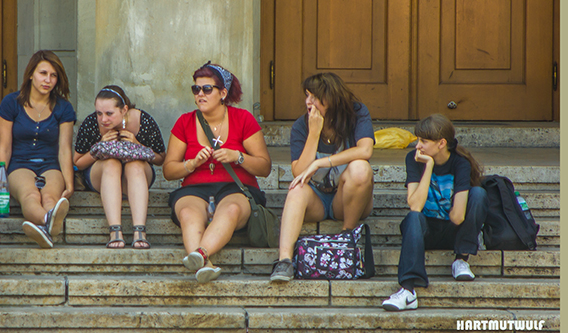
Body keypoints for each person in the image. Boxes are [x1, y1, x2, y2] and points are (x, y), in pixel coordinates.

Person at [162, 62, 272, 283]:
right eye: (196, 89)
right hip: (194, 188)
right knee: (187, 214)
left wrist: (238, 157)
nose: (200, 94)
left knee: (230, 208)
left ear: (223, 93)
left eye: (207, 89)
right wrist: (190, 165)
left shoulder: (243, 119)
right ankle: (206, 264)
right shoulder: (184, 122)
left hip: (235, 187)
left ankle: (200, 255)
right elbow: (168, 170)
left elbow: (264, 167)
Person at [270, 72, 375, 282]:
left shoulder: (356, 113)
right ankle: (284, 261)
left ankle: (346, 238)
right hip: (316, 200)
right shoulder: (302, 125)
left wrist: (321, 162)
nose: (308, 102)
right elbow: (299, 172)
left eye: (315, 96)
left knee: (361, 169)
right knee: (296, 188)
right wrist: (314, 134)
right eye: (307, 95)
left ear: (332, 97)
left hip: (346, 199)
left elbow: (365, 151)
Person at [382, 114, 487, 311]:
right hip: (425, 231)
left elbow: (457, 217)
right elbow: (415, 206)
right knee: (413, 217)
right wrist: (428, 166)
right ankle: (408, 290)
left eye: (423, 141)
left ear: (441, 143)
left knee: (478, 194)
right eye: (418, 140)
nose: (417, 146)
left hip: (452, 230)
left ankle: (461, 259)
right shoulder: (413, 160)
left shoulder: (460, 163)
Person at [0, 50, 76, 249]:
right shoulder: (11, 103)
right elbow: (4, 148)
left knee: (49, 197)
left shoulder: (63, 108)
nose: (48, 80)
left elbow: (65, 149)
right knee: (31, 195)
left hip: (50, 164)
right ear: (31, 74)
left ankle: (44, 225)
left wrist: (70, 184)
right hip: (19, 165)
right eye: (43, 73)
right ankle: (48, 221)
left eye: (53, 75)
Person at [73, 85, 166, 249]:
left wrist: (138, 145)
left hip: (137, 178)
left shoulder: (143, 120)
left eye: (109, 113)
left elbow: (160, 159)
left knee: (134, 164)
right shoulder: (91, 123)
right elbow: (78, 162)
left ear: (124, 110)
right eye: (99, 113)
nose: (103, 119)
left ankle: (139, 232)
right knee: (111, 162)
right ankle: (115, 231)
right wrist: (100, 146)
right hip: (102, 177)